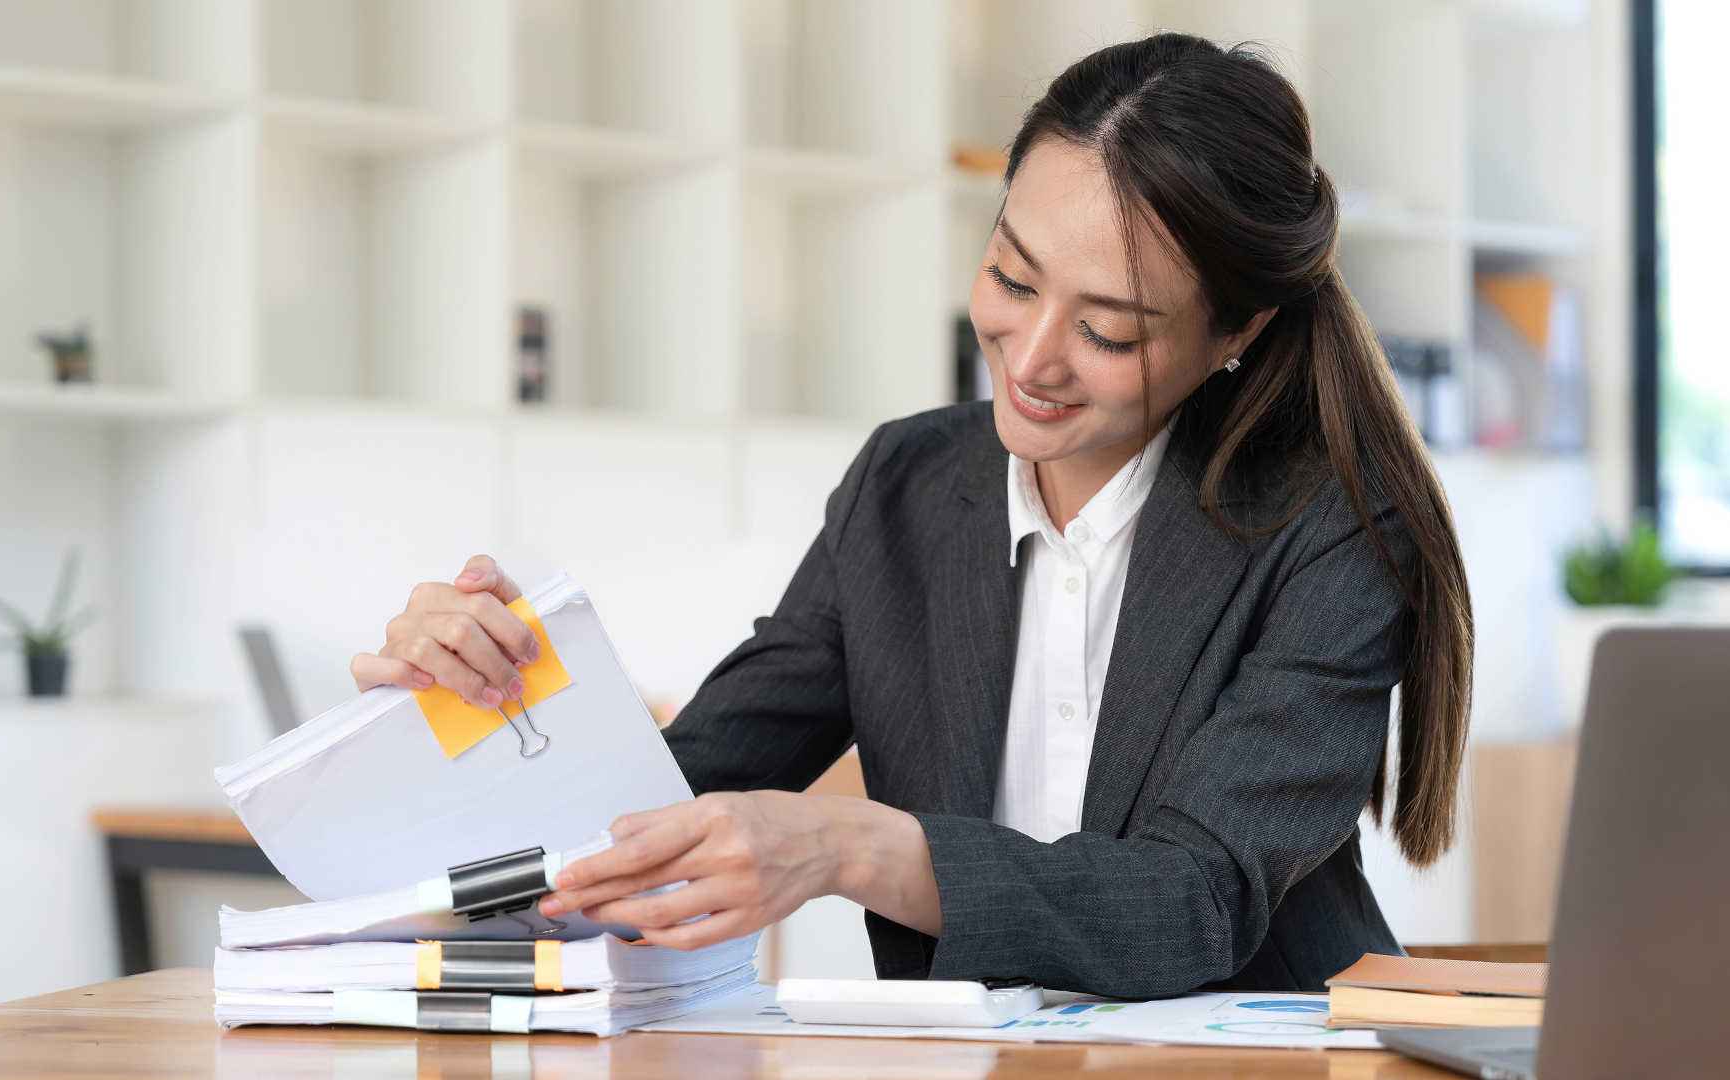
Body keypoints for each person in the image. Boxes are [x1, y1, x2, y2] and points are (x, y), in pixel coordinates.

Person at [350, 32, 1473, 997]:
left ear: (1238, 334)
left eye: (1111, 332)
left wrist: (850, 845)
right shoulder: (905, 487)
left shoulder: (1328, 524)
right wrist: (484, 706)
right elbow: (662, 802)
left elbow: (1196, 902)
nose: (1030, 362)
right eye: (1013, 278)